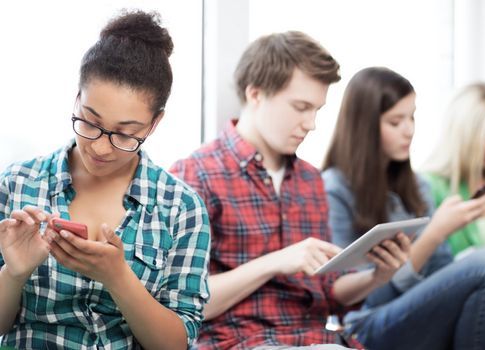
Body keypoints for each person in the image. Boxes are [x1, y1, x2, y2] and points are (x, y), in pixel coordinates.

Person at [171, 32, 413, 350]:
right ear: (256, 94)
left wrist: (378, 276)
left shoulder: (311, 181)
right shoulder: (195, 175)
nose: (311, 123)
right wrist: (275, 262)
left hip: (317, 340)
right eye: (301, 107)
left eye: (317, 110)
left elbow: (328, 294)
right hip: (240, 342)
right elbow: (185, 307)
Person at [0, 10, 210, 349]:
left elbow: (176, 344)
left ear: (154, 124)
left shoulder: (182, 207)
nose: (99, 147)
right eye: (89, 121)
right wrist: (14, 273)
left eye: (125, 134)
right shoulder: (17, 184)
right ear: (77, 99)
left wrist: (118, 278)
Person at [322, 67, 485, 350]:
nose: (410, 130)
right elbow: (365, 298)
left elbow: (442, 275)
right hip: (369, 322)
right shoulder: (335, 190)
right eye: (396, 121)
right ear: (364, 126)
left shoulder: (416, 187)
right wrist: (434, 233)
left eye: (412, 117)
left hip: (425, 314)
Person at [423, 82, 485, 341]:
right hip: (476, 303)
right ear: (462, 134)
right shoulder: (428, 186)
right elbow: (435, 277)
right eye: (482, 137)